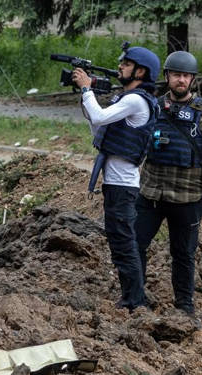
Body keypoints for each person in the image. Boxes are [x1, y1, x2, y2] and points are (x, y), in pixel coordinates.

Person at [134, 51, 202, 316]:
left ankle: (184, 306)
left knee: (183, 254)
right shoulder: (152, 107)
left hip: (188, 197)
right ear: (167, 77)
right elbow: (137, 143)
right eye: (176, 75)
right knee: (136, 242)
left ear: (192, 80)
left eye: (186, 76)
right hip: (152, 193)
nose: (181, 80)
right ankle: (134, 296)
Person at [71, 44, 160, 312]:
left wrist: (87, 89)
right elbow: (99, 125)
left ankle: (135, 300)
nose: (120, 66)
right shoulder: (127, 98)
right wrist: (86, 97)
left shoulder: (136, 100)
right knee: (119, 241)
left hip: (123, 186)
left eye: (126, 64)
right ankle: (130, 297)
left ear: (141, 71)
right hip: (115, 184)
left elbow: (99, 115)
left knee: (124, 242)